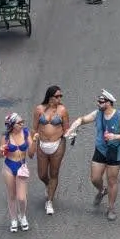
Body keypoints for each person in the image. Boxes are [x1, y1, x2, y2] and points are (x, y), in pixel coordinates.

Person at [65, 89, 120, 222]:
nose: (98, 103)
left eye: (101, 102)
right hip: (101, 150)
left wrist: (115, 136)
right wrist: (74, 127)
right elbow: (83, 119)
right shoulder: (98, 114)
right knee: (95, 178)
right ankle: (102, 190)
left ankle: (111, 208)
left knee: (112, 180)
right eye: (98, 101)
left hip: (114, 152)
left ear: (109, 103)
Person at [32, 85, 70, 216]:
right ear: (50, 97)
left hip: (57, 145)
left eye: (61, 96)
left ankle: (49, 201)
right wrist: (32, 143)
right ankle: (49, 186)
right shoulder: (39, 109)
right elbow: (34, 128)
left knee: (54, 173)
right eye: (57, 96)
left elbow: (66, 129)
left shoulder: (63, 110)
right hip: (42, 144)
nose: (59, 98)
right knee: (42, 174)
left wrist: (71, 134)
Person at [0, 112, 35, 232]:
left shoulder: (25, 133)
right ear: (12, 125)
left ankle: (22, 216)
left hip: (21, 167)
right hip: (9, 167)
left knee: (21, 197)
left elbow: (31, 155)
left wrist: (34, 142)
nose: (22, 124)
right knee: (12, 195)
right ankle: (13, 219)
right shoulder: (6, 138)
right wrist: (1, 150)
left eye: (22, 121)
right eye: (20, 123)